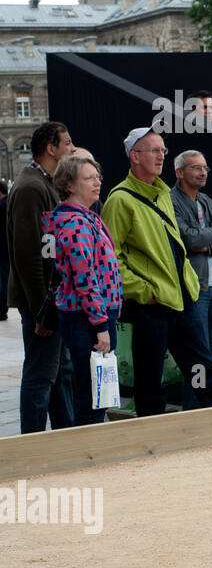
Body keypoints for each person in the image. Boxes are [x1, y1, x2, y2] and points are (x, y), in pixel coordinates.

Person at [102, 127, 212, 416]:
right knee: (150, 378)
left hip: (182, 300)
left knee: (202, 369)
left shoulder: (163, 195)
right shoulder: (119, 200)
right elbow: (110, 261)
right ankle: (152, 438)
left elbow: (175, 245)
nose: (161, 156)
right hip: (152, 306)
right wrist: (145, 292)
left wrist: (189, 282)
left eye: (163, 151)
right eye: (154, 150)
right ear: (135, 156)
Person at [6, 121, 77, 431]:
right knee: (41, 374)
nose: (72, 149)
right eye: (68, 143)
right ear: (51, 148)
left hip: (52, 299)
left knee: (59, 372)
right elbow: (28, 255)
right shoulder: (31, 187)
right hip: (42, 303)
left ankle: (65, 434)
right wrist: (41, 312)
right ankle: (31, 442)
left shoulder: (44, 183)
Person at [43, 156, 122, 426]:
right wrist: (100, 325)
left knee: (94, 393)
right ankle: (89, 454)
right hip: (88, 320)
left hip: (88, 316)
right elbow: (85, 279)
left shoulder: (83, 218)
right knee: (92, 396)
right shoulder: (76, 224)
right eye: (89, 178)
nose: (97, 182)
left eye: (97, 176)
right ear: (69, 184)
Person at [171, 149, 212, 408]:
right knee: (198, 355)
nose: (203, 172)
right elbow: (188, 239)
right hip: (196, 288)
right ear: (180, 172)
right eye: (196, 168)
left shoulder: (207, 200)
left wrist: (208, 244)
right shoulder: (171, 201)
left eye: (205, 168)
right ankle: (193, 409)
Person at [0, 178, 8, 321]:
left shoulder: (3, 205)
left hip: (3, 249)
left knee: (3, 280)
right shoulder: (8, 202)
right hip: (7, 248)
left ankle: (1, 309)